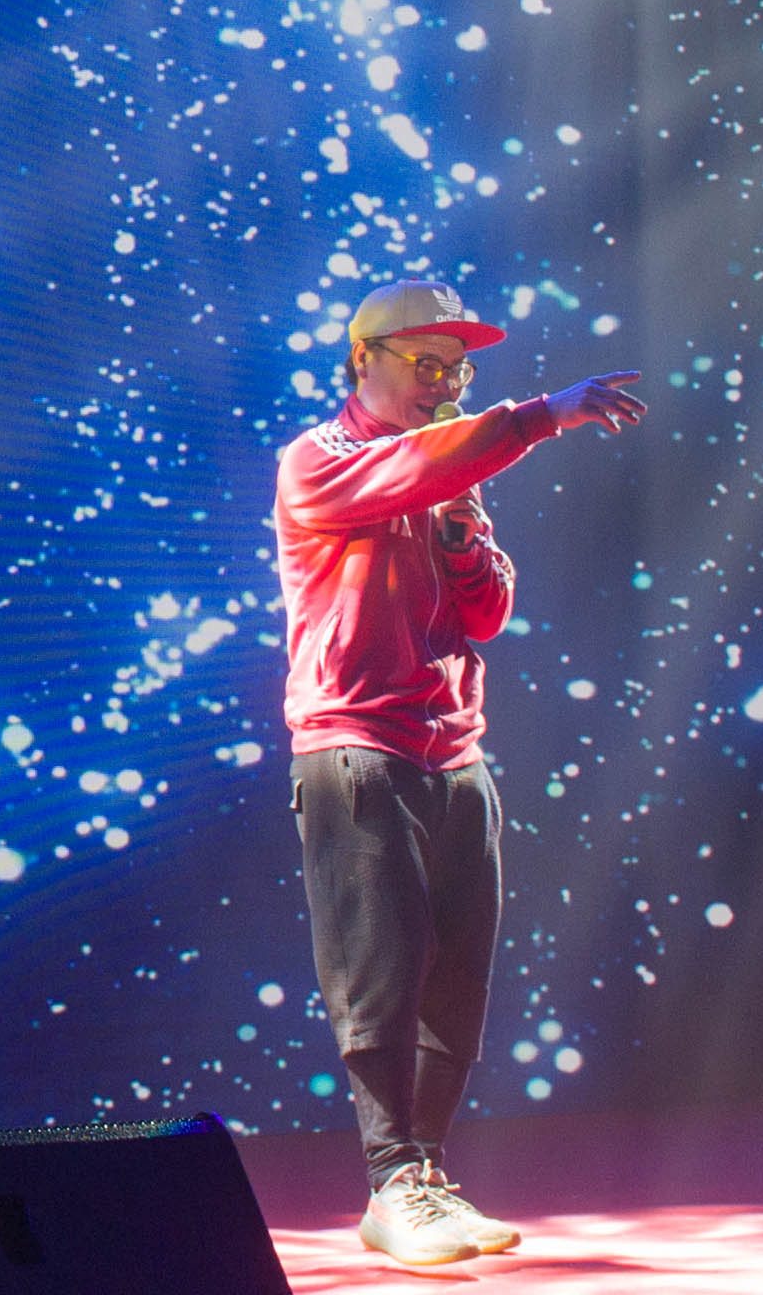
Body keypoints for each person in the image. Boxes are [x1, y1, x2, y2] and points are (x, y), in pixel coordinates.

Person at [271, 278, 645, 1266]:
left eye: (456, 369)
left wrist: (463, 533)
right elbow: (407, 469)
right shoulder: (319, 458)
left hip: (454, 750)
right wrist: (538, 415)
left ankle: (425, 1177)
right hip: (356, 742)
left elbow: (486, 611)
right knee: (381, 969)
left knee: (456, 976)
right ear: (363, 357)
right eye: (425, 363)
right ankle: (392, 1176)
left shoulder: (448, 471)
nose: (443, 383)